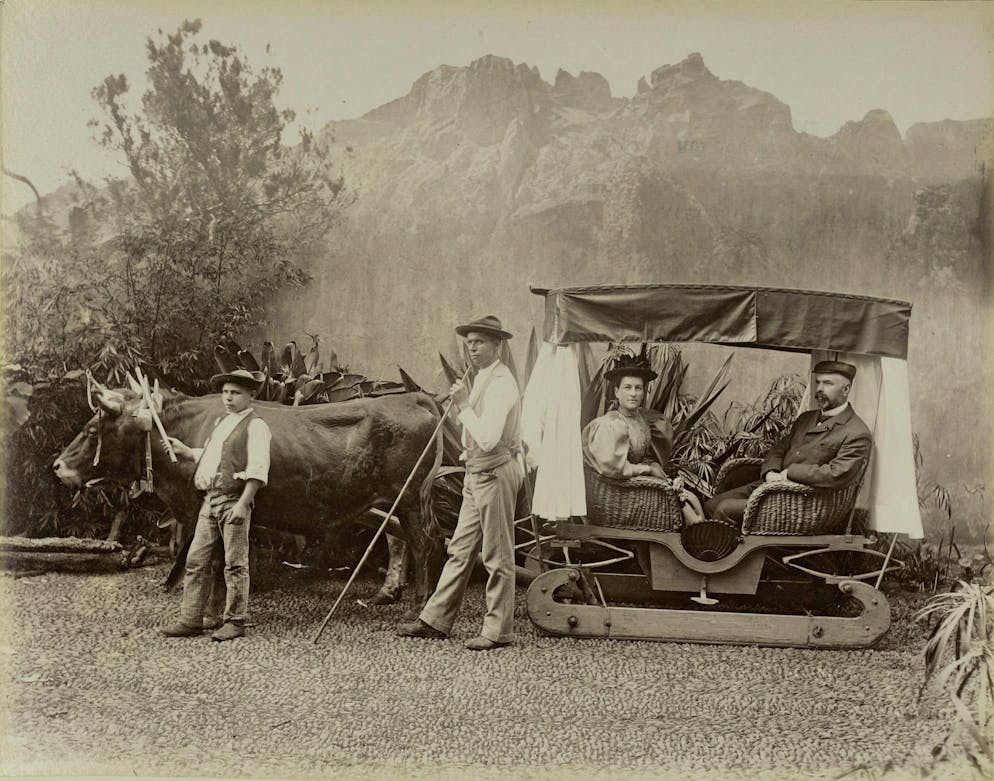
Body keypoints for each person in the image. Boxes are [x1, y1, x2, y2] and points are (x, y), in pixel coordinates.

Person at [396, 315, 524, 651]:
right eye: (469, 342)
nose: (473, 348)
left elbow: (487, 438)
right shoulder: (481, 376)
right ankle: (435, 620)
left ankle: (498, 631)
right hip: (475, 473)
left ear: (498, 345)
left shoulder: (502, 384)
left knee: (496, 555)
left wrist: (465, 405)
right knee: (460, 549)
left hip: (495, 472)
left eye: (480, 342)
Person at [159, 369, 272, 641]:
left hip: (234, 501)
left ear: (250, 396)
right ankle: (191, 619)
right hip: (210, 500)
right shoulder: (223, 422)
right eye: (225, 392)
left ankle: (235, 621)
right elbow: (213, 458)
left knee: (235, 564)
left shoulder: (256, 426)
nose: (229, 398)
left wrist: (243, 505)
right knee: (196, 559)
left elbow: (258, 470)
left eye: (235, 393)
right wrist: (185, 451)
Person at [703, 360, 871, 527]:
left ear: (846, 389)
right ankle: (728, 542)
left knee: (725, 509)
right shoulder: (806, 418)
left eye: (827, 383)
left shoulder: (856, 432)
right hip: (770, 487)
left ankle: (724, 549)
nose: (819, 389)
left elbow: (836, 474)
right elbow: (779, 449)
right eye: (818, 382)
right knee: (711, 505)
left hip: (801, 503)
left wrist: (790, 473)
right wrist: (771, 472)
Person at [583, 355, 703, 525]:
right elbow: (614, 469)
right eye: (627, 387)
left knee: (689, 499)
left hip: (636, 487)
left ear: (644, 392)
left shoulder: (642, 420)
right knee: (674, 508)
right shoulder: (610, 425)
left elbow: (641, 456)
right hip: (617, 494)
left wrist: (655, 468)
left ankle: (700, 537)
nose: (633, 393)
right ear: (617, 392)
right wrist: (647, 470)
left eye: (638, 388)